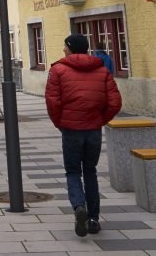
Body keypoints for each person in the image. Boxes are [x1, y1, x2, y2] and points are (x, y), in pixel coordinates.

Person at [45, 33, 122, 238]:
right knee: (90, 171)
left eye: (65, 46)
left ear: (71, 47)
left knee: (72, 172)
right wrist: (99, 119)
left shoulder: (58, 70)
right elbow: (115, 103)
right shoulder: (102, 69)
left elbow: (53, 102)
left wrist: (60, 123)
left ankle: (79, 207)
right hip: (93, 129)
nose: (63, 50)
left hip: (70, 129)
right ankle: (94, 219)